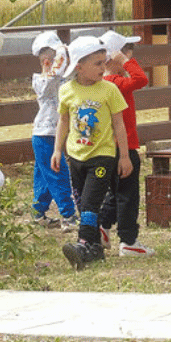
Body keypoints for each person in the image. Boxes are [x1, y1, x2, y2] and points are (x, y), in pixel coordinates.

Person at [52, 36, 131, 270]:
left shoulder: (109, 89)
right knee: (82, 204)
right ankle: (95, 248)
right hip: (75, 156)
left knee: (89, 203)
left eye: (104, 62)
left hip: (102, 155)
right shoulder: (67, 90)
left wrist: (124, 156)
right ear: (79, 66)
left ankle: (83, 244)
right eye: (97, 63)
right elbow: (63, 121)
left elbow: (119, 124)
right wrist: (57, 149)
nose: (102, 67)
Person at [97, 29, 152, 257]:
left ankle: (101, 227)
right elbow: (142, 79)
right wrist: (126, 62)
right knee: (128, 195)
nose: (130, 57)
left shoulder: (103, 83)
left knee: (116, 191)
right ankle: (129, 240)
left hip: (110, 148)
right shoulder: (116, 83)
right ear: (116, 58)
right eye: (126, 53)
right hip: (125, 147)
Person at [29, 30, 77, 228]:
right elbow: (54, 73)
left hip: (50, 133)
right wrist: (61, 52)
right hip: (45, 133)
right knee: (58, 173)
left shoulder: (61, 75)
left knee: (44, 175)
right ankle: (69, 216)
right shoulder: (44, 79)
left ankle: (38, 212)